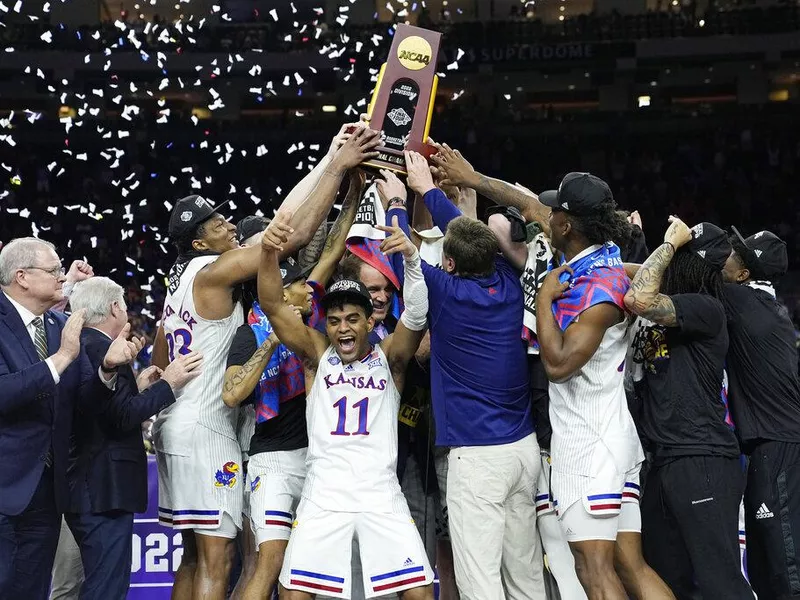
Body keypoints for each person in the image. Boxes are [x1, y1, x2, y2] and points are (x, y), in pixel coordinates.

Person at [152, 125, 380, 600]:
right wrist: (336, 166)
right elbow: (287, 237)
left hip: (178, 422)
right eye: (216, 226)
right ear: (198, 243)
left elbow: (158, 359)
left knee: (192, 558)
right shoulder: (212, 272)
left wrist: (330, 160)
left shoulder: (179, 282)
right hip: (209, 428)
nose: (228, 227)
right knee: (221, 559)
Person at [258, 211, 435, 599]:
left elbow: (418, 314)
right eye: (335, 320)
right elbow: (273, 305)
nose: (343, 328)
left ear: (369, 323)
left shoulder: (389, 359)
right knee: (293, 593)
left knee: (420, 591)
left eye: (353, 319)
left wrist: (411, 260)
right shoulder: (316, 356)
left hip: (379, 491)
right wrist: (268, 254)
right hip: (325, 492)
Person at [405, 149, 544, 600]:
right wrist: (429, 190)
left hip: (478, 459)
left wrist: (400, 197)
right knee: (524, 577)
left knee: (480, 582)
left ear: (448, 264)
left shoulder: (444, 290)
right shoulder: (507, 278)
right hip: (523, 452)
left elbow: (403, 255)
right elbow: (467, 238)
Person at [222, 169, 364, 600]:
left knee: (306, 570)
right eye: (301, 287)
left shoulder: (314, 321)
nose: (311, 290)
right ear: (282, 295)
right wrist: (271, 340)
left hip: (320, 460)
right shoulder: (248, 333)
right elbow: (232, 394)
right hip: (273, 460)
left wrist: (354, 190)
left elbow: (336, 245)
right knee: (268, 562)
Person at [533, 173, 671, 600]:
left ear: (567, 225)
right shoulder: (607, 264)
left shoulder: (594, 288)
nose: (549, 214)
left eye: (555, 210)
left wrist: (542, 299)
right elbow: (635, 272)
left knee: (593, 571)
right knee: (631, 566)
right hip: (615, 435)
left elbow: (557, 366)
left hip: (587, 447)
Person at [0, 237, 141, 599]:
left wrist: (107, 370)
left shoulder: (56, 324)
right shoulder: (55, 338)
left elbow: (80, 403)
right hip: (4, 484)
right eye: (53, 270)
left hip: (49, 489)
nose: (62, 277)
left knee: (31, 588)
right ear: (22, 277)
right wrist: (61, 358)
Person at [624, 217, 752, 599]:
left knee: (720, 584)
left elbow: (638, 299)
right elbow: (636, 278)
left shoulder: (705, 309)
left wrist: (667, 244)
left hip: (702, 459)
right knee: (667, 581)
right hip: (663, 462)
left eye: (680, 255)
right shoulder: (682, 300)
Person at [63, 276, 202, 599]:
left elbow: (100, 411)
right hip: (104, 488)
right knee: (106, 587)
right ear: (115, 307)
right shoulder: (100, 349)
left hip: (87, 485)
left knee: (99, 581)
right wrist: (170, 382)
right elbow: (121, 418)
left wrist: (138, 387)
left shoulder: (80, 344)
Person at [721, 227, 800, 600]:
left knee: (784, 564)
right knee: (769, 562)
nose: (726, 258)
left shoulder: (742, 300)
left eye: (735, 256)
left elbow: (678, 277)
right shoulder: (765, 303)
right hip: (772, 445)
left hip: (779, 446)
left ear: (744, 275)